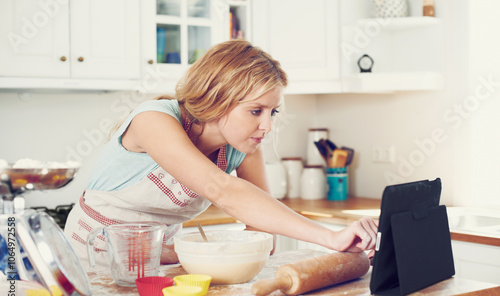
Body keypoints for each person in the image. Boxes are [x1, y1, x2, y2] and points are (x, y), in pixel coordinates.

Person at [64, 39, 378, 269]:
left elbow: (261, 228)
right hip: (91, 259)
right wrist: (331, 238)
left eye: (273, 112)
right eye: (256, 111)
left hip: (159, 260)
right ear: (218, 98)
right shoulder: (153, 120)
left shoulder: (243, 148)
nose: (266, 126)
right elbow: (224, 191)